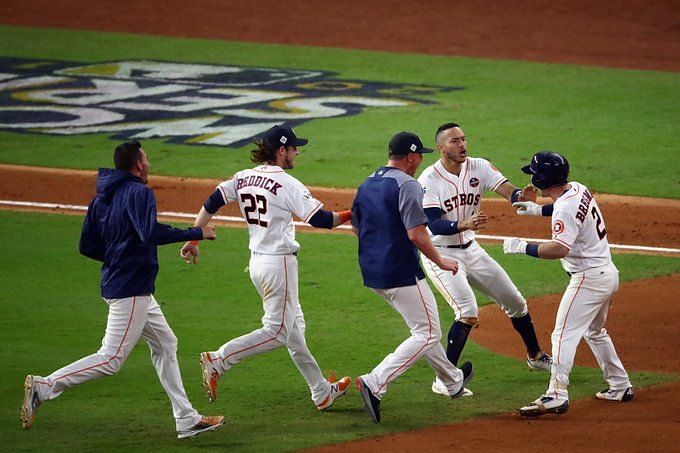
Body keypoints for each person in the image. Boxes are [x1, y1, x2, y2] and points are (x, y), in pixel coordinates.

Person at [20, 140, 224, 439]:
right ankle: (45, 386)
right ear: (138, 164)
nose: (149, 163)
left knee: (166, 344)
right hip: (130, 287)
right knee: (111, 358)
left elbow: (87, 245)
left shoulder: (101, 197)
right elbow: (149, 232)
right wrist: (196, 233)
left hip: (122, 281)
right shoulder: (140, 192)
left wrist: (117, 256)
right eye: (146, 158)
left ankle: (186, 419)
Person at [181, 125, 351, 413]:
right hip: (278, 265)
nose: (297, 151)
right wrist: (354, 212)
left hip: (258, 262)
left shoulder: (244, 177)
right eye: (294, 147)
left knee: (294, 330)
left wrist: (194, 236)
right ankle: (219, 360)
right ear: (281, 150)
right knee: (279, 332)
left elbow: (212, 200)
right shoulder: (287, 183)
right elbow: (322, 220)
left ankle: (321, 391)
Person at [417, 122, 552, 397]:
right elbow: (432, 224)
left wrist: (519, 196)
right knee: (467, 311)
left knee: (515, 302)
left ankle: (535, 356)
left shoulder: (478, 166)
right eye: (455, 141)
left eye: (464, 139)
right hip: (440, 254)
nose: (462, 144)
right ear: (442, 148)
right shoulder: (429, 180)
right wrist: (464, 223)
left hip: (471, 249)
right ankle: (443, 380)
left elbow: (504, 188)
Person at [352, 131, 474, 424]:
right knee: (428, 332)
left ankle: (453, 381)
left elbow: (357, 227)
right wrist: (441, 261)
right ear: (409, 156)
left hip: (372, 270)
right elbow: (417, 234)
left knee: (423, 327)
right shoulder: (407, 185)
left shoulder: (368, 182)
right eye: (420, 154)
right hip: (400, 270)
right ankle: (375, 381)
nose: (421, 160)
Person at [504, 151, 633, 417]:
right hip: (607, 274)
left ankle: (556, 394)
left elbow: (559, 248)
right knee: (595, 332)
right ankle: (620, 385)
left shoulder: (564, 207)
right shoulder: (577, 188)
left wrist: (522, 247)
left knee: (562, 335)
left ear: (541, 179)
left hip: (588, 279)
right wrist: (538, 210)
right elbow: (567, 208)